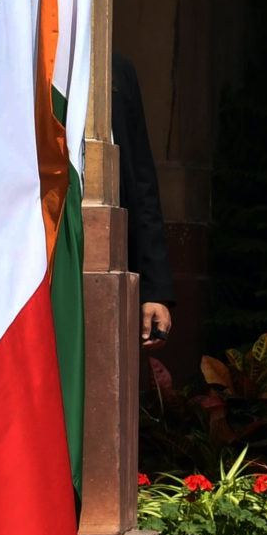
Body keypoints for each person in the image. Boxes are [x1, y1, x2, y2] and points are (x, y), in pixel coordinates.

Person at [109, 52, 176, 348]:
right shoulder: (18, 54)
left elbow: (141, 181)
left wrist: (154, 290)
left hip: (110, 252)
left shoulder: (116, 69)